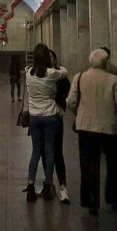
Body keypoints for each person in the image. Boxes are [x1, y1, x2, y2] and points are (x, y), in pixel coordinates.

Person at [67, 47, 117, 216]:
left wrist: (79, 115)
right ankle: (114, 198)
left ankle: (91, 202)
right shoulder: (114, 80)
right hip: (110, 127)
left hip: (86, 127)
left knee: (89, 165)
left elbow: (71, 101)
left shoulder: (79, 78)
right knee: (113, 165)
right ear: (106, 62)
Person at [24, 44, 68, 201]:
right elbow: (65, 72)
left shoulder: (28, 72)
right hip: (50, 116)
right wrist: (55, 64)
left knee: (36, 151)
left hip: (34, 116)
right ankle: (48, 185)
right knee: (49, 150)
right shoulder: (51, 73)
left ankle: (30, 186)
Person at [49, 49, 71, 203]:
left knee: (57, 151)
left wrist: (62, 106)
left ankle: (62, 186)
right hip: (46, 116)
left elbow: (67, 92)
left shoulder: (60, 76)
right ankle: (48, 184)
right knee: (46, 152)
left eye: (52, 57)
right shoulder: (42, 74)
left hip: (56, 116)